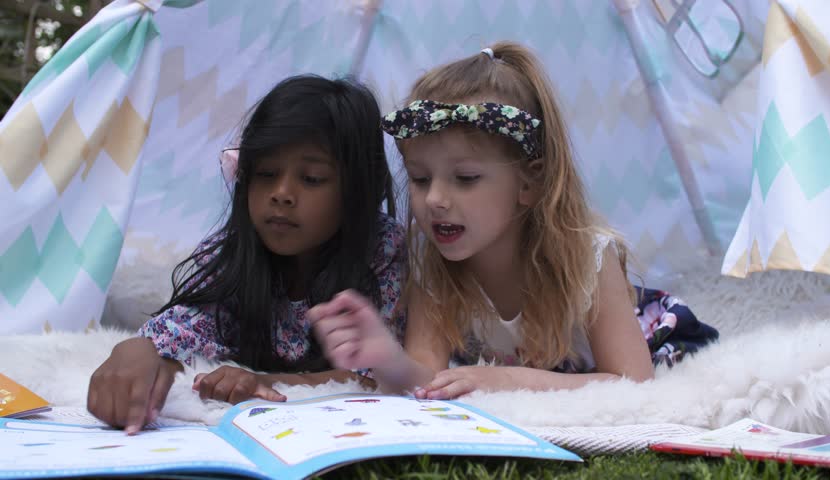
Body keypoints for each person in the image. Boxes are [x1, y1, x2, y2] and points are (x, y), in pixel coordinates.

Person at [309, 42, 714, 400]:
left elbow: (634, 384)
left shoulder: (588, 258)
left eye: (465, 178)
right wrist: (387, 358)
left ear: (529, 183)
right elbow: (427, 380)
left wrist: (508, 380)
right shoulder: (434, 266)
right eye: (419, 178)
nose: (434, 199)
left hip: (640, 342)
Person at [88, 75, 405, 433]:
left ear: (360, 189)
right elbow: (181, 331)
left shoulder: (383, 250)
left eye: (312, 178)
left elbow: (373, 377)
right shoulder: (235, 254)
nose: (281, 193)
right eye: (266, 173)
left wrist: (262, 380)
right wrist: (138, 349)